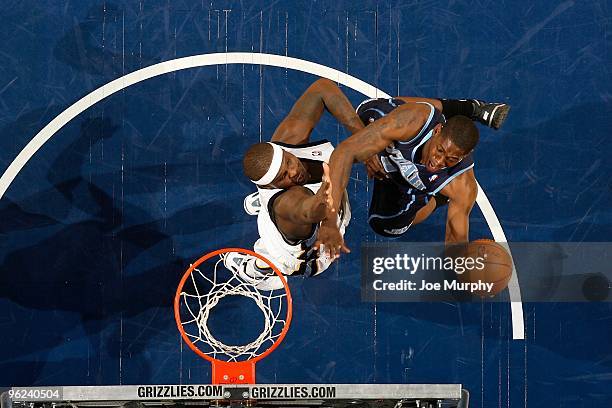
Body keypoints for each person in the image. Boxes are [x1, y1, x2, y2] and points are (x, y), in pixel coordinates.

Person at [315, 96, 510, 259]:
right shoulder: (413, 121)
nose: (438, 161)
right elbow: (345, 152)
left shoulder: (461, 184)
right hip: (386, 134)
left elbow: (455, 240)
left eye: (450, 159)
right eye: (440, 150)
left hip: (405, 173)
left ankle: (436, 198)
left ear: (463, 157)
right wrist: (329, 221)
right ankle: (469, 108)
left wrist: (462, 271)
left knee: (385, 225)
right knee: (407, 111)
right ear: (437, 131)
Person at [223, 78, 363, 289]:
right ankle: (257, 271)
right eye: (283, 177)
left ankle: (262, 203)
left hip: (319, 208)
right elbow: (306, 211)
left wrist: (362, 135)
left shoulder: (285, 143)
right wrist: (323, 204)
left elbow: (322, 89)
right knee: (272, 250)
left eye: (289, 162)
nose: (295, 172)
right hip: (310, 254)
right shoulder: (287, 202)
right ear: (272, 186)